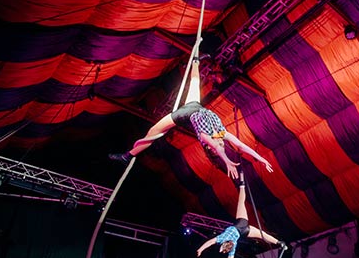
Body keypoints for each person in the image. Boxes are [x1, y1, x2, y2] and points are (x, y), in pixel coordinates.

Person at [109, 54, 273, 179]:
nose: (222, 145)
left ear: (212, 147)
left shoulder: (205, 139)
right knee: (194, 79)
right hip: (194, 106)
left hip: (181, 116)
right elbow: (241, 145)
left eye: (220, 147)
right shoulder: (221, 133)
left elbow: (216, 147)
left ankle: (127, 155)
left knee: (152, 133)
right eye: (223, 145)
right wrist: (260, 158)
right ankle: (195, 59)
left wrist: (226, 160)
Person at [196, 171, 287, 258]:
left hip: (245, 231)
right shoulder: (222, 239)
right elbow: (210, 242)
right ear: (222, 246)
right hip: (240, 224)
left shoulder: (232, 246)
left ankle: (279, 242)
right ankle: (242, 181)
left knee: (262, 235)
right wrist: (201, 249)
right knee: (241, 201)